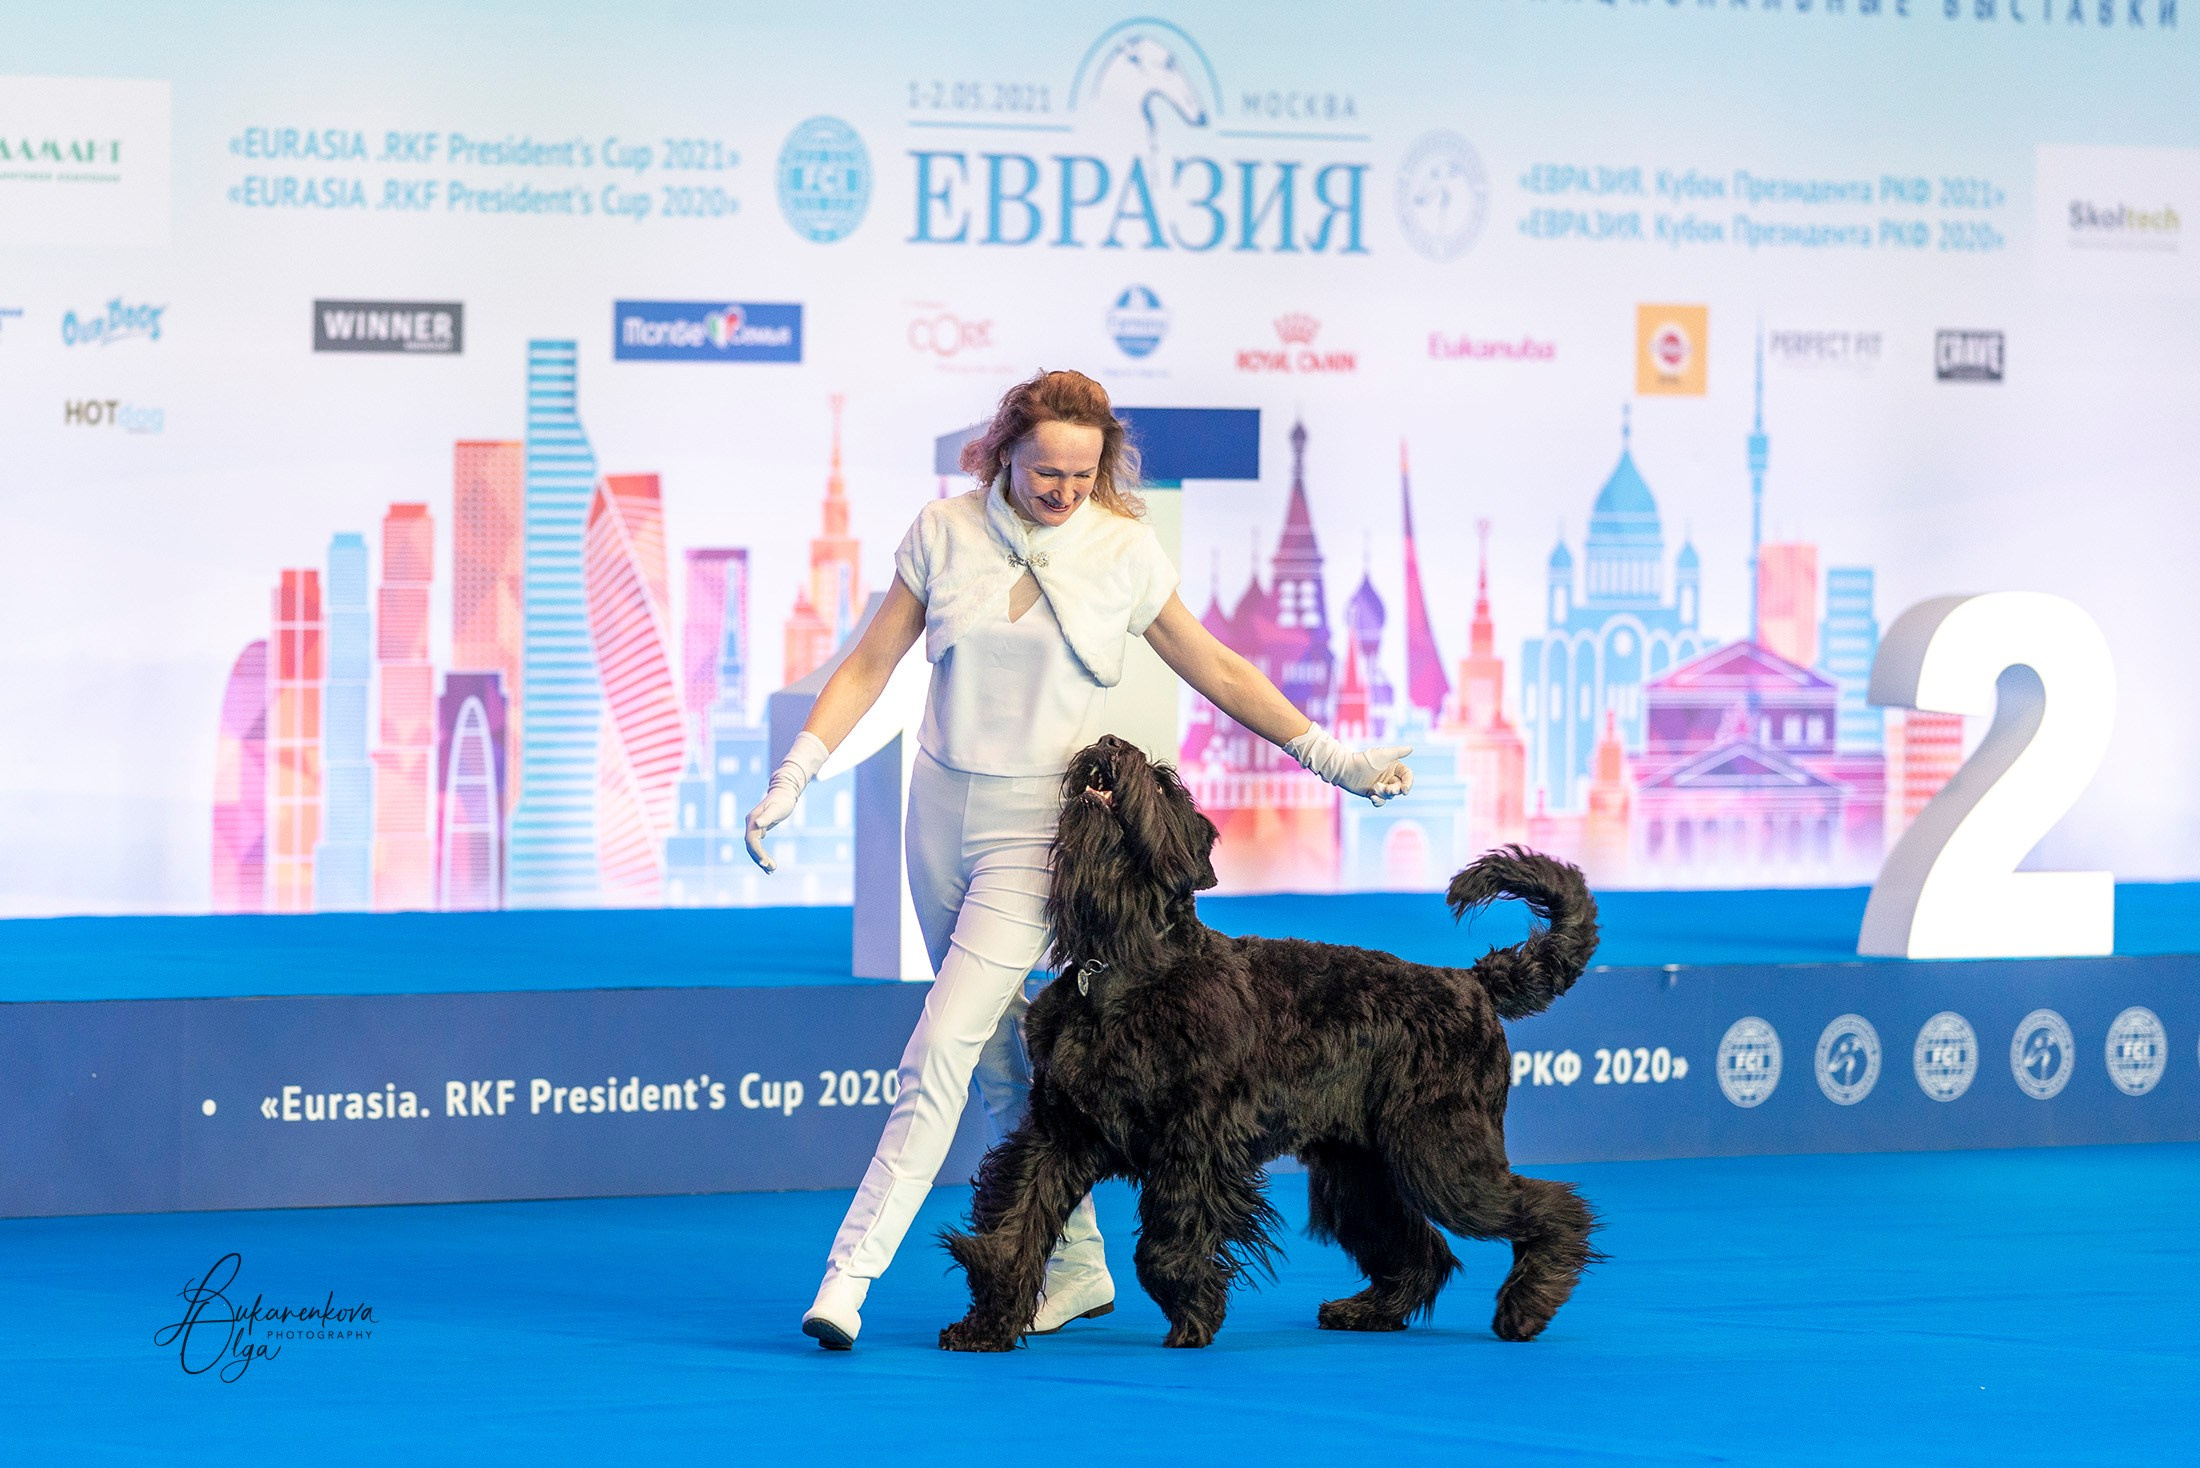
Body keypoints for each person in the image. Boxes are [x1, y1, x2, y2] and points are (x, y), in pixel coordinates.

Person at [745, 370, 1414, 1350]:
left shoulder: (1122, 552)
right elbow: (867, 663)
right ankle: (1075, 1268)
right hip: (937, 813)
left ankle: (847, 1277)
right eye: (1044, 470)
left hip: (1036, 831)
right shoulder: (942, 531)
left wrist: (1329, 754)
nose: (1062, 489)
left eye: (1081, 472)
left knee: (939, 1050)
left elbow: (1218, 666)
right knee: (1015, 1062)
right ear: (1002, 451)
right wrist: (796, 773)